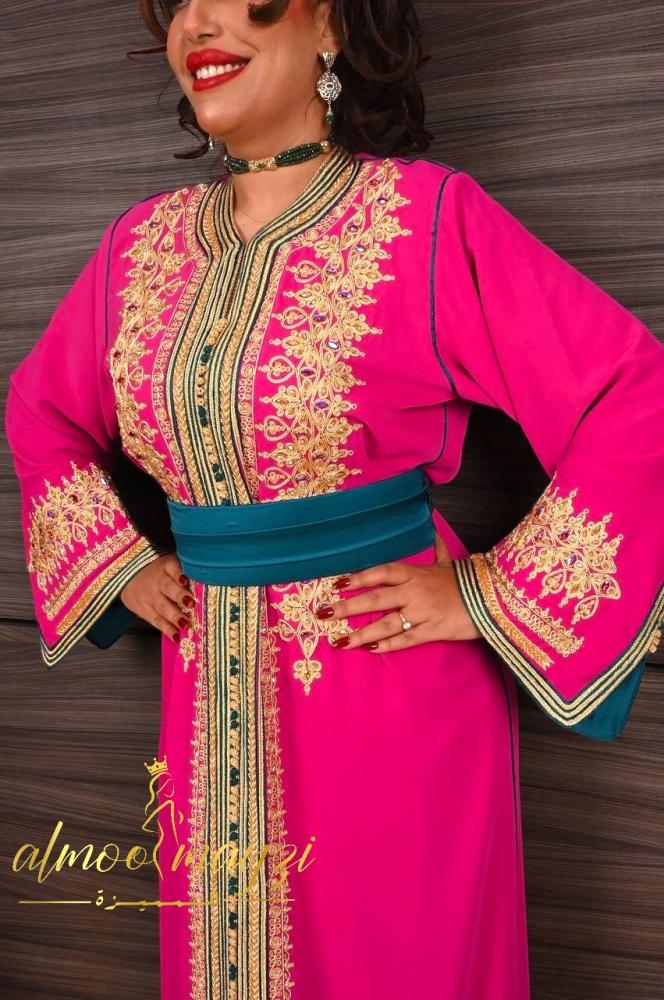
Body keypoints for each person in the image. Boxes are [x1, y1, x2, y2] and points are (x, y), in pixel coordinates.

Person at [5, 0, 663, 997]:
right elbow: (40, 409)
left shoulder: (424, 218)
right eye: (179, 3)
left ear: (329, 26)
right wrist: (118, 562)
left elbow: (631, 393)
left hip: (384, 683)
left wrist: (487, 591)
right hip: (208, 695)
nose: (196, 24)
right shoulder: (141, 247)